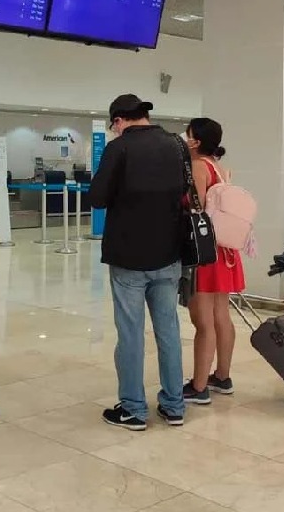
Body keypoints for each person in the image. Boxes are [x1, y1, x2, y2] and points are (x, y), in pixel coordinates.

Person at [89, 94, 186, 430]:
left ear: (118, 121)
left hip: (129, 256)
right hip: (169, 253)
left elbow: (97, 196)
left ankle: (133, 409)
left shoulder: (119, 148)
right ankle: (174, 405)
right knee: (169, 331)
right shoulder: (176, 144)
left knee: (130, 334)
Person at [182, 118, 245, 405]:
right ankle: (222, 375)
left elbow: (194, 207)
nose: (185, 139)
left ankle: (198, 386)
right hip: (225, 251)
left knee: (203, 320)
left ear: (196, 140)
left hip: (204, 251)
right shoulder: (220, 168)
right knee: (221, 314)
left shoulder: (199, 167)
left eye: (188, 135)